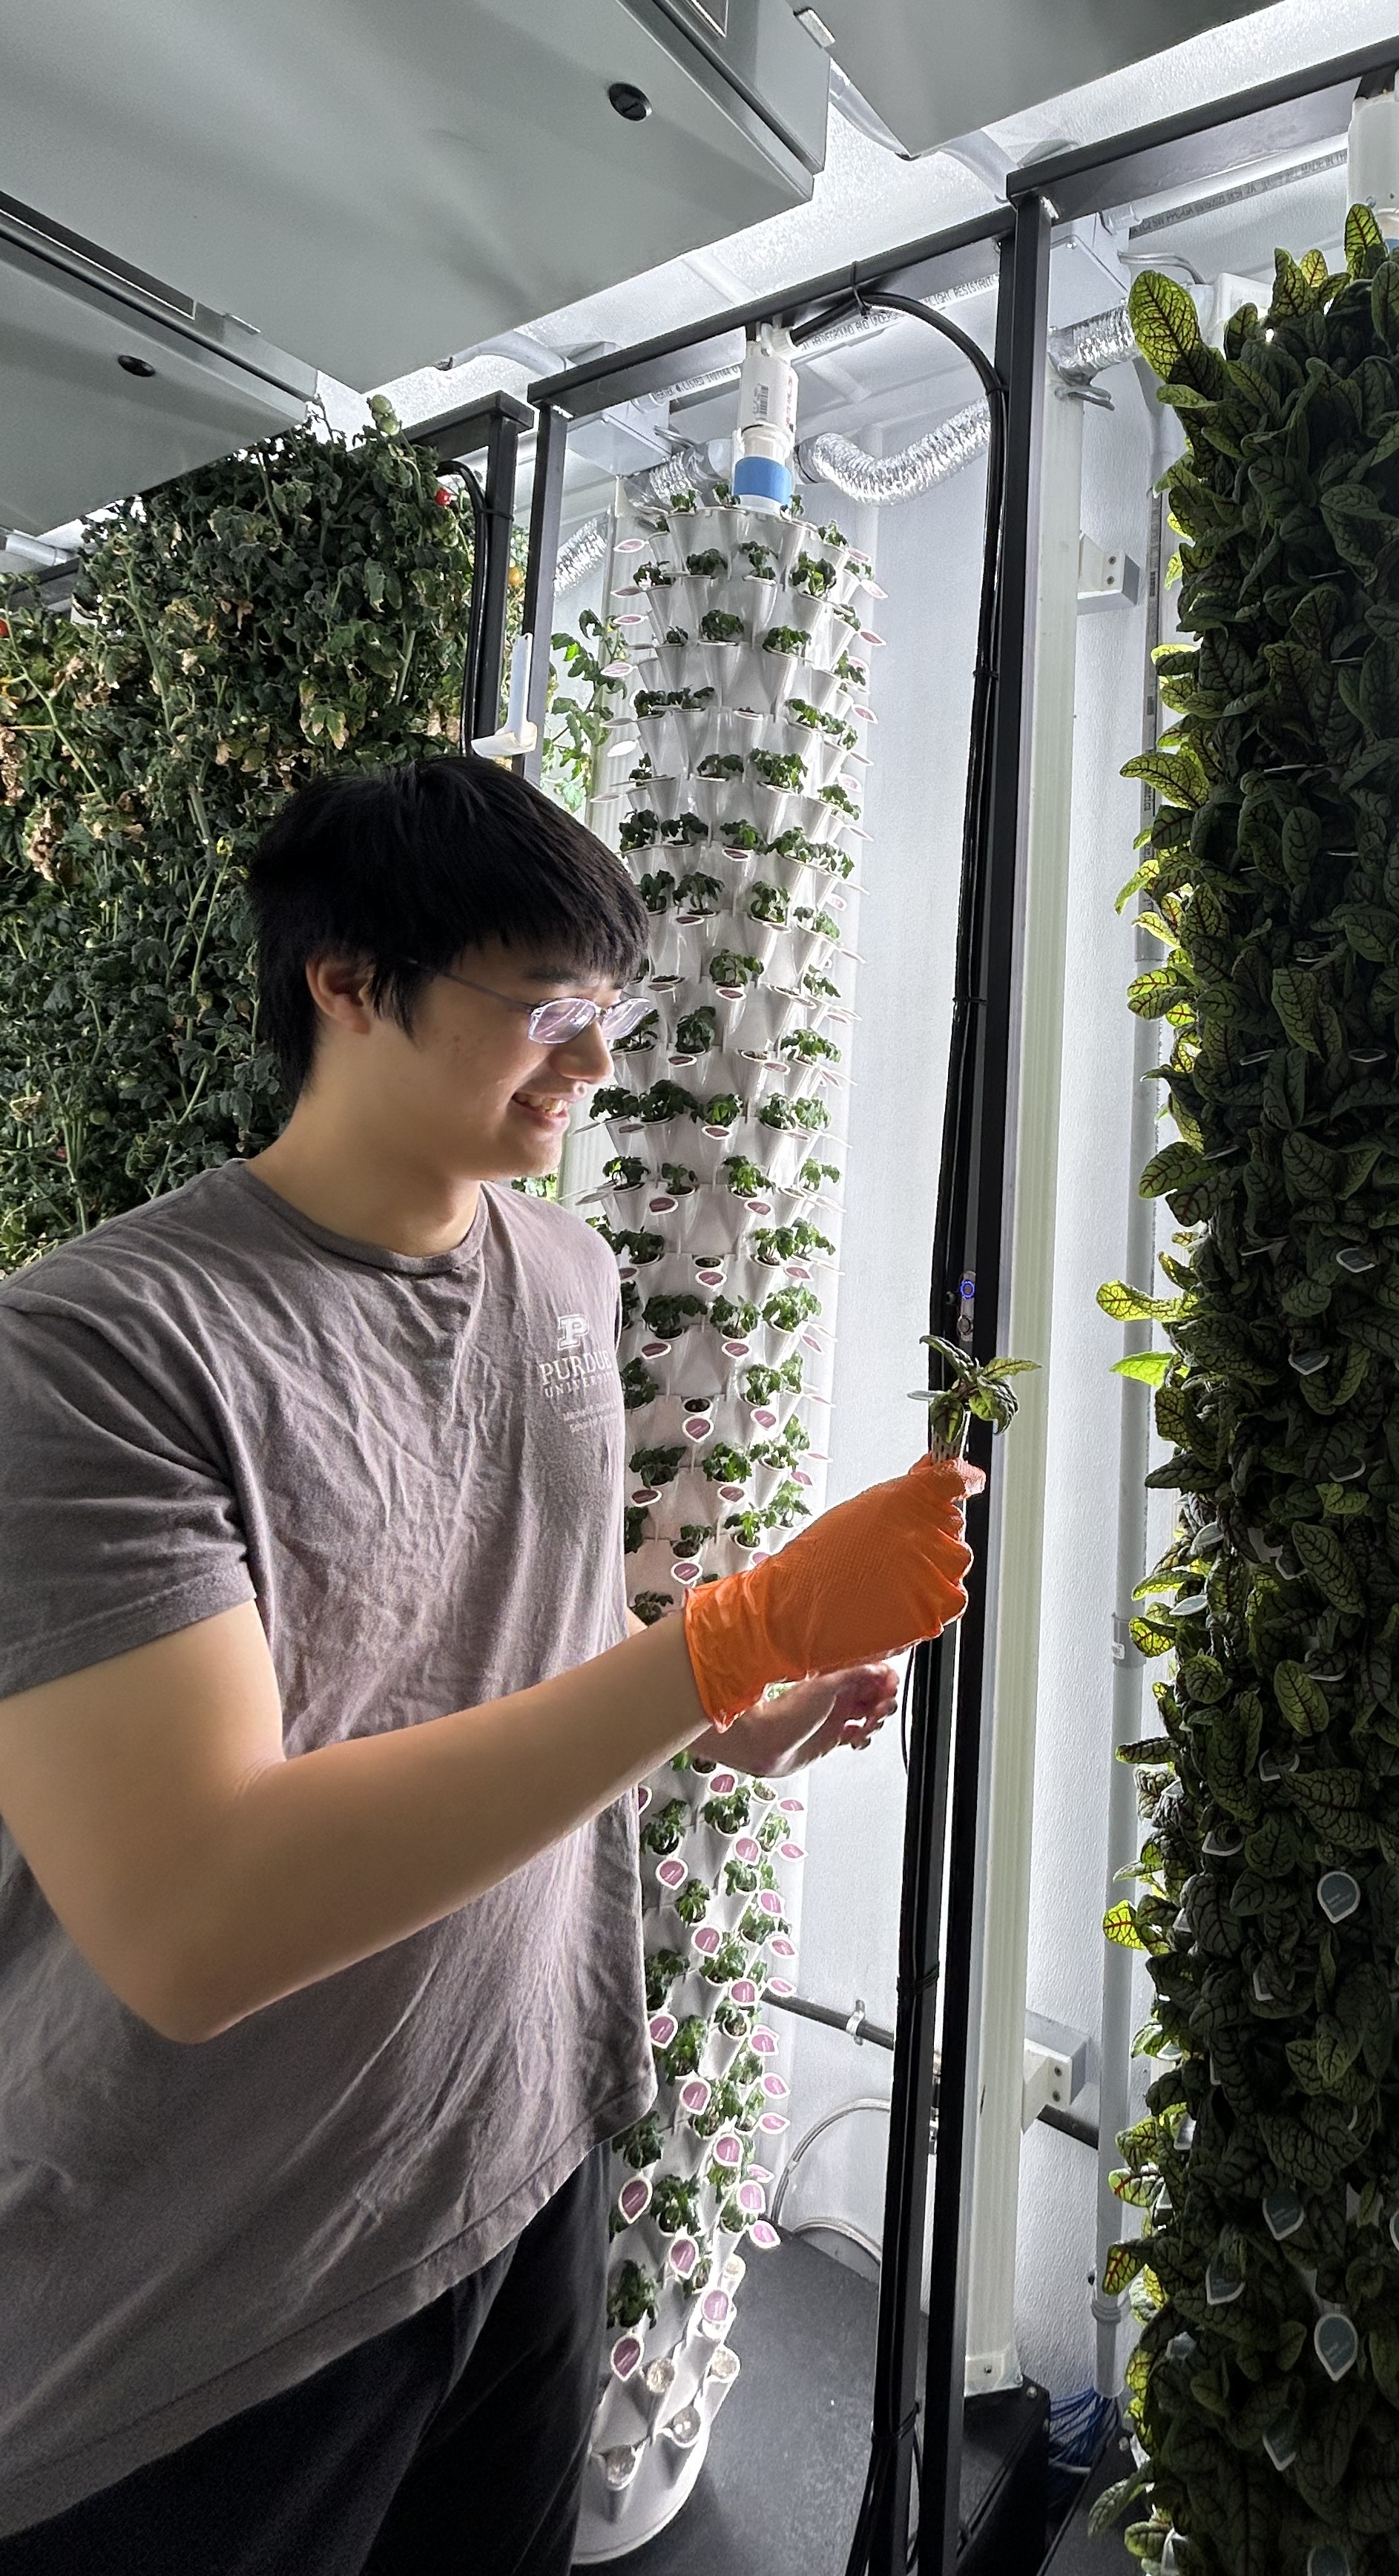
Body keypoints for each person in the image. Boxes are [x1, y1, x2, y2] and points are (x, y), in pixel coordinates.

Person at [0, 757, 975, 2572]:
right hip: (211, 2280)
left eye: (605, 1011)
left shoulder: (565, 1276)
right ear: (348, 981)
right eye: (542, 1009)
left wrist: (734, 1716)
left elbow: (512, 1630)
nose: (593, 1063)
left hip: (520, 2151)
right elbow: (191, 1914)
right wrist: (730, 1638)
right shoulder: (102, 1352)